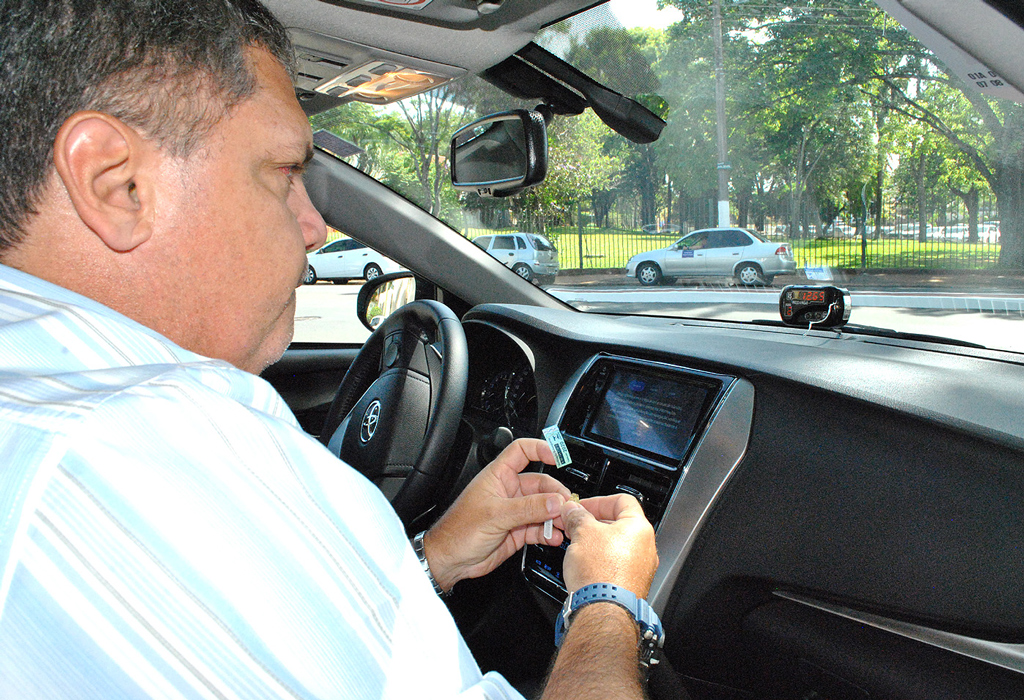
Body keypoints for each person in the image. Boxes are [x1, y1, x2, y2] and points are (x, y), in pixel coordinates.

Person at [0, 0, 659, 698]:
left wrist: (423, 562)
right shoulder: (157, 442)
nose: (316, 227)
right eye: (284, 171)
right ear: (117, 183)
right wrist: (608, 601)